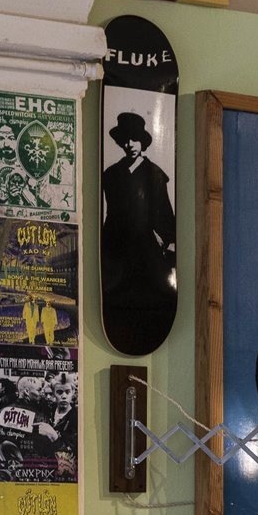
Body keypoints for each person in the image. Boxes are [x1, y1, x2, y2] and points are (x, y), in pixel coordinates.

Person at [100, 111, 176, 352]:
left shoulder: (155, 174)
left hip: (145, 247)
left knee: (149, 293)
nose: (130, 144)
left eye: (134, 139)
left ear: (142, 142)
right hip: (117, 247)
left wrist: (169, 243)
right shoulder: (111, 174)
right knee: (118, 296)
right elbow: (110, 213)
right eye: (125, 139)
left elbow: (164, 213)